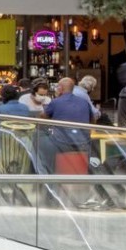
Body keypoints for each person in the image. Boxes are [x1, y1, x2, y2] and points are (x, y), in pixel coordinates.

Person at [45, 77, 108, 209]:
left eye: (57, 87)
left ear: (60, 89)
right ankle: (103, 195)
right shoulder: (83, 102)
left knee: (45, 153)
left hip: (61, 143)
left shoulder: (55, 102)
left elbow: (42, 117)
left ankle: (49, 195)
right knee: (93, 161)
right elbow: (93, 119)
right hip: (83, 143)